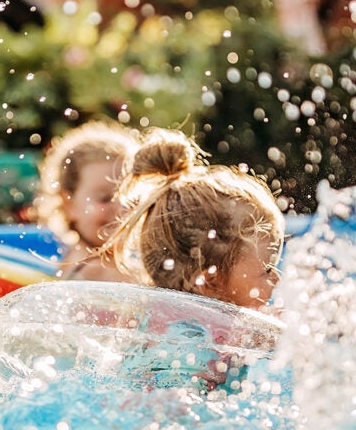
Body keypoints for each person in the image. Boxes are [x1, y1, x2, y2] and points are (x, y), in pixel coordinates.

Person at [105, 128, 285, 310]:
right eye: (267, 269)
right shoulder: (216, 336)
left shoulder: (150, 317)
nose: (277, 279)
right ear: (210, 283)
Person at [35, 121, 141, 281]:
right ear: (68, 203)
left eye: (131, 196)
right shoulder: (99, 272)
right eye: (105, 199)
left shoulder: (73, 259)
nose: (122, 208)